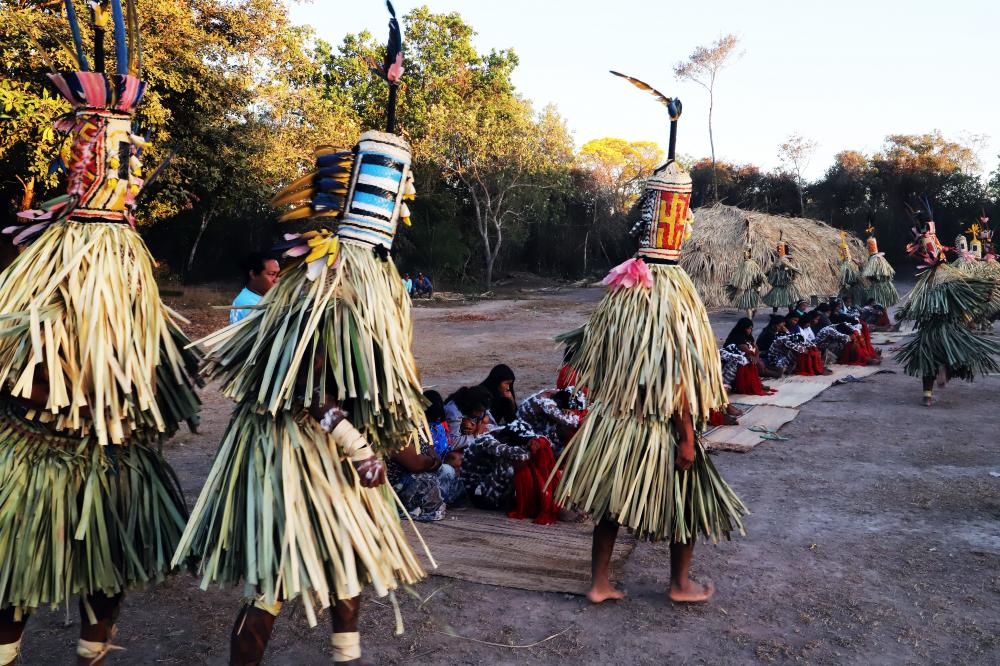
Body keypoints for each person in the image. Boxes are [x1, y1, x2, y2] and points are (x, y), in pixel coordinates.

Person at [174, 11, 430, 663]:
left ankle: (346, 656)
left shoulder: (367, 276)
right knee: (275, 585)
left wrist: (396, 443)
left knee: (347, 573)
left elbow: (369, 374)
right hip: (292, 447)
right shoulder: (320, 280)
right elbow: (306, 381)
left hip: (333, 445)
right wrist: (358, 447)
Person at [0, 11, 202, 663]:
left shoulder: (128, 265)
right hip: (34, 452)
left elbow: (160, 381)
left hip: (112, 463)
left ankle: (91, 655)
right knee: (11, 587)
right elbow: (16, 365)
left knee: (105, 583)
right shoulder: (43, 267)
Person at [554, 84, 745, 606]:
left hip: (614, 422)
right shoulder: (674, 301)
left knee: (613, 504)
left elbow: (590, 355)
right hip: (660, 424)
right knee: (688, 500)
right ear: (678, 225)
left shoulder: (622, 292)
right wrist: (686, 434)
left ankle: (599, 583)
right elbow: (678, 376)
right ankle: (680, 584)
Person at [895, 206, 1000, 406]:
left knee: (927, 356)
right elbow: (964, 295)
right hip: (948, 323)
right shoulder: (946, 279)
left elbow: (915, 307)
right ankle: (942, 370)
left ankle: (927, 394)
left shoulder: (927, 287)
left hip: (931, 326)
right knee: (950, 353)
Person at [517, 386, 586, 455]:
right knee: (559, 432)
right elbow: (569, 422)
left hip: (529, 423)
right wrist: (574, 414)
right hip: (523, 431)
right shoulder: (546, 403)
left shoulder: (555, 393)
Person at [722, 318, 774, 396]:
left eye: (751, 328)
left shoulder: (748, 336)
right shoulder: (737, 336)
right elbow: (743, 348)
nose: (750, 330)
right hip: (733, 361)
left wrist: (756, 357)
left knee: (756, 362)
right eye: (748, 328)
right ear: (742, 328)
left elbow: (755, 348)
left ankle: (756, 383)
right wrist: (751, 355)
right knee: (751, 363)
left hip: (744, 359)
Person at [231, 252, 281, 324]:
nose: (277, 280)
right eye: (272, 274)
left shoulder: (249, 295)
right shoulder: (250, 306)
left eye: (278, 274)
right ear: (253, 274)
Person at [443, 385, 493, 452]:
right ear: (469, 404)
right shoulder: (453, 412)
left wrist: (479, 426)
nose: (479, 414)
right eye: (478, 410)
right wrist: (475, 435)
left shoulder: (479, 405)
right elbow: (453, 443)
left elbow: (487, 418)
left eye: (482, 411)